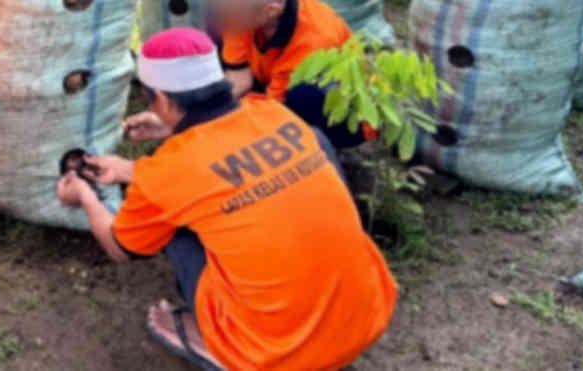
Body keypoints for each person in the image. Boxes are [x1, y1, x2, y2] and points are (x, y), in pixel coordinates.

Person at [56, 28, 397, 370]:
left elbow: (119, 247)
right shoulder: (274, 114)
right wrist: (163, 139)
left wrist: (85, 196)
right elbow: (223, 165)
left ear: (160, 98)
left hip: (280, 355)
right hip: (366, 316)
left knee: (174, 227)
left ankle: (214, 343)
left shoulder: (167, 173)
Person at [208, 0, 369, 150]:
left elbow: (273, 109)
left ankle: (314, 150)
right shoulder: (243, 7)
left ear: (271, 10)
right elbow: (239, 77)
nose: (224, 14)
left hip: (339, 114)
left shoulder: (314, 40)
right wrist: (201, 115)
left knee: (305, 95)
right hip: (272, 78)